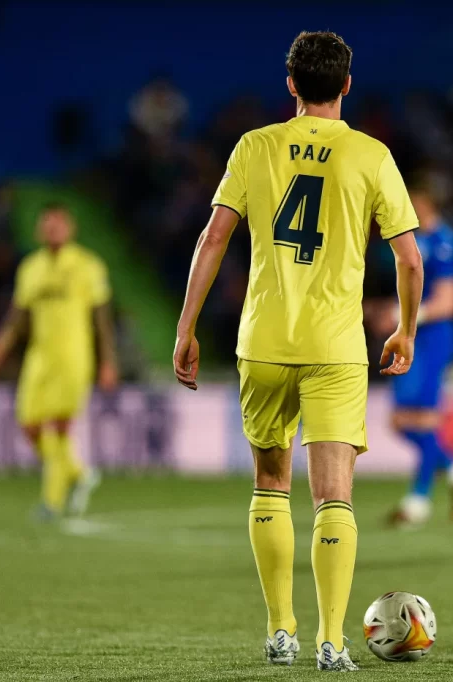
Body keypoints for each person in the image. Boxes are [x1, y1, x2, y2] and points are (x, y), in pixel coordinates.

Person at [173, 31, 423, 671]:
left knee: (270, 484)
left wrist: (186, 328)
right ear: (346, 84)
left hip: (263, 341)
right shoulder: (370, 154)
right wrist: (406, 330)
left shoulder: (254, 146)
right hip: (336, 346)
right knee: (333, 497)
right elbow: (409, 259)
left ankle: (280, 628)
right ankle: (332, 641)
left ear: (290, 84)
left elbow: (212, 239)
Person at [0, 203, 118, 519]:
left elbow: (102, 319)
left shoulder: (88, 265)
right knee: (28, 423)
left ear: (71, 228)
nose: (53, 229)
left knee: (58, 425)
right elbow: (18, 317)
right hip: (39, 357)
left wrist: (107, 361)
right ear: (39, 230)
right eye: (48, 224)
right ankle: (78, 474)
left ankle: (51, 501)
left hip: (74, 357)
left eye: (59, 224)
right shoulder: (30, 268)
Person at [386, 180, 453, 527]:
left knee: (424, 421)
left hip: (432, 338)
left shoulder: (443, 240)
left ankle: (418, 502)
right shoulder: (405, 236)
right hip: (409, 335)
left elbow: (450, 300)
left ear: (426, 200)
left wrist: (412, 316)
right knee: (399, 422)